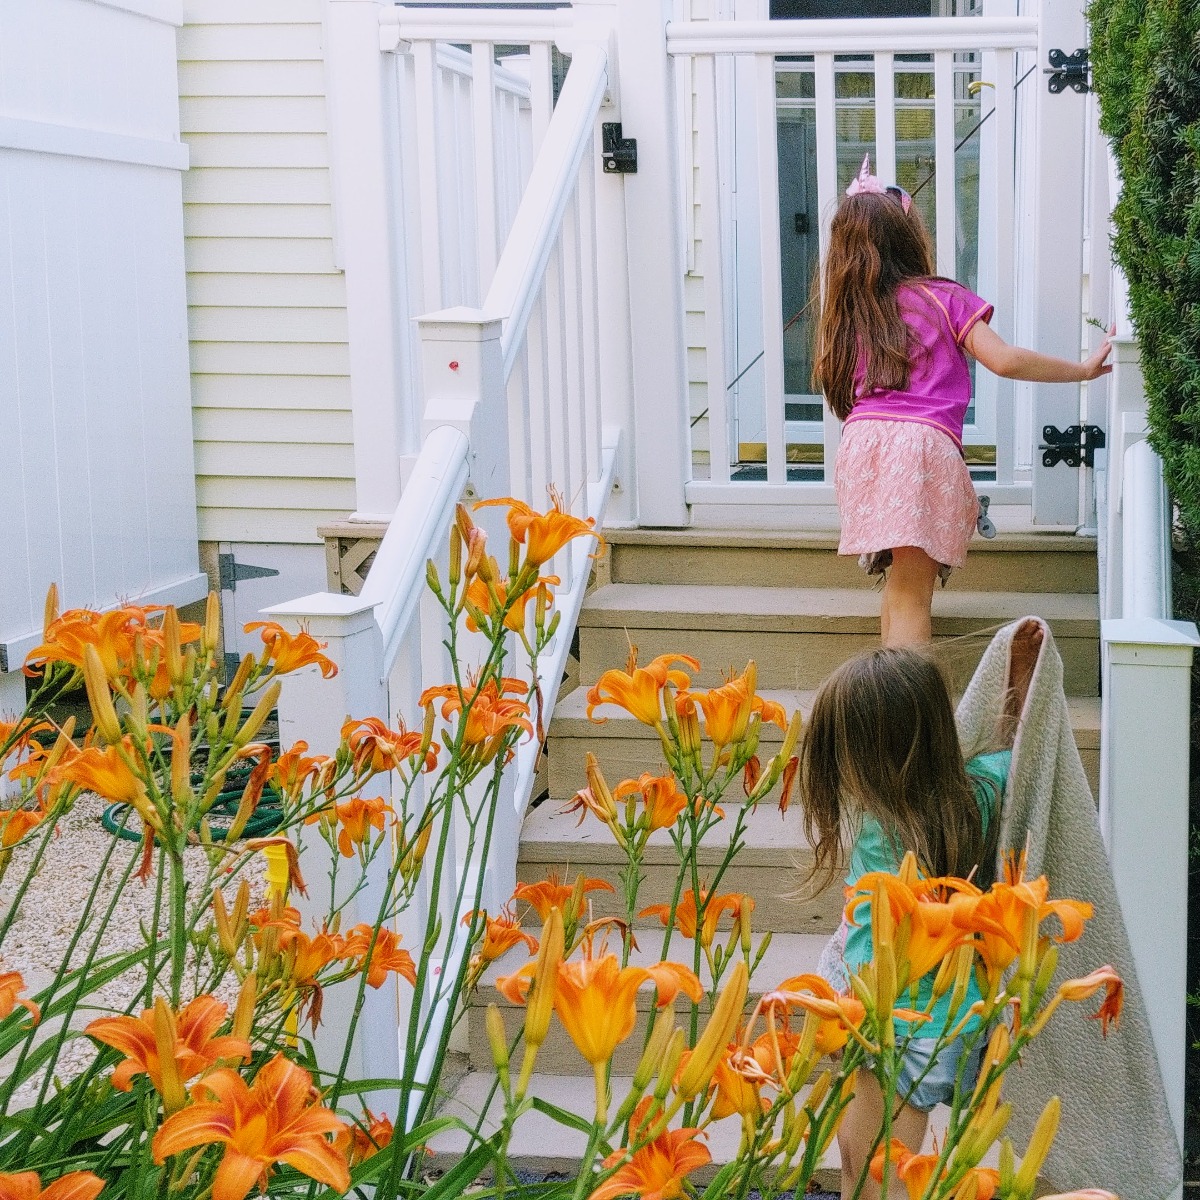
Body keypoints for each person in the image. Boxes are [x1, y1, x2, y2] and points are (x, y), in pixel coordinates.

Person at [813, 157, 1114, 647]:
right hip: (919, 450)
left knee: (896, 588)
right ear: (910, 238)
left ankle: (890, 700)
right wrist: (1081, 370)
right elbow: (1005, 360)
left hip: (863, 445)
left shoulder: (851, 312)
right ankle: (908, 715)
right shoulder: (942, 298)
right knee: (914, 593)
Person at [799, 623, 1041, 1200]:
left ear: (877, 761)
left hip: (889, 1026)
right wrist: (1022, 678)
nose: (840, 773)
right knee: (890, 1165)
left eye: (845, 755)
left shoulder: (882, 829)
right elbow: (1020, 749)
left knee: (868, 1167)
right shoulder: (981, 792)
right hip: (951, 1022)